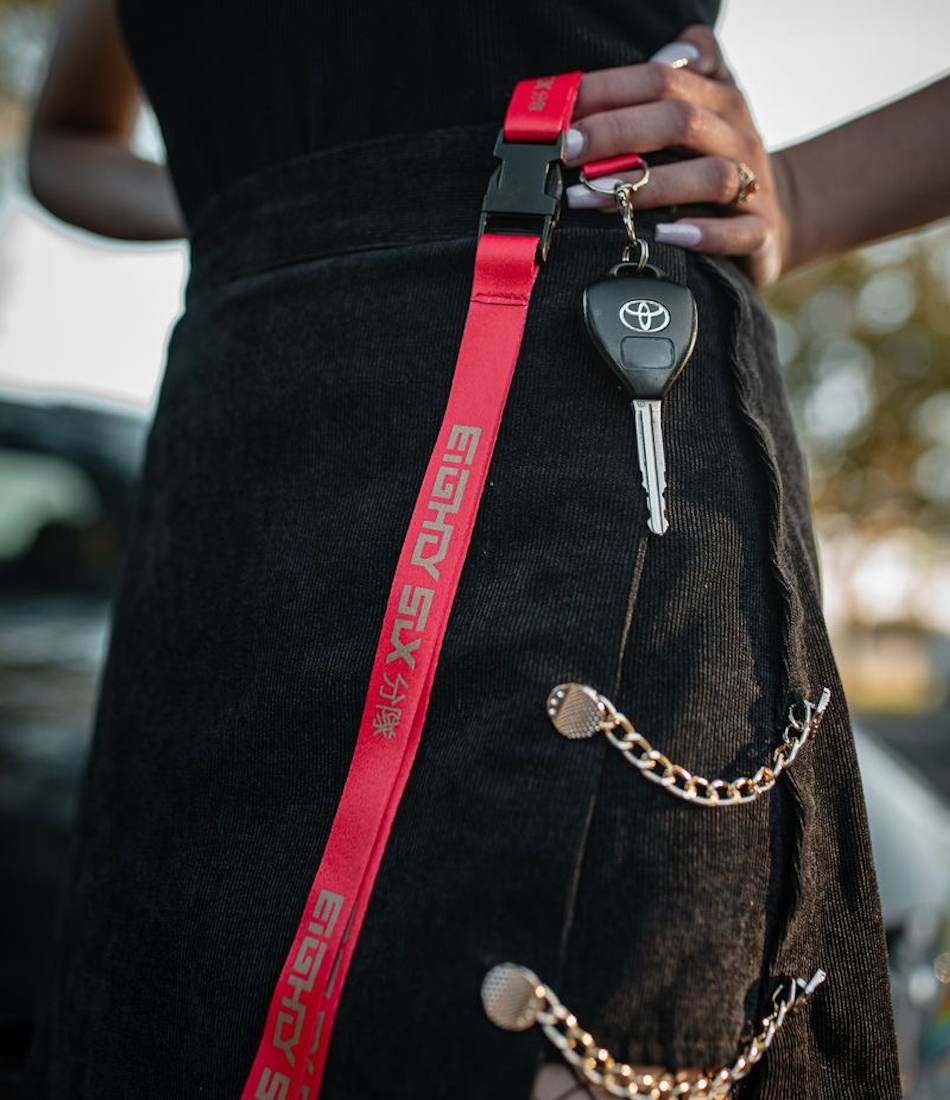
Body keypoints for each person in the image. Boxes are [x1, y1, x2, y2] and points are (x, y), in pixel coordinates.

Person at [20, 0, 950, 1096]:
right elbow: (63, 145)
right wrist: (273, 197)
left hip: (582, 397)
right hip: (241, 483)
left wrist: (796, 194)